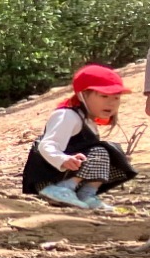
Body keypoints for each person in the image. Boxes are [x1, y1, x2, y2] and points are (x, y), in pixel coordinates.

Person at [24, 64, 134, 211]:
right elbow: (46, 145)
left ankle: (86, 195)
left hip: (66, 173)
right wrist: (63, 160)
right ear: (83, 95)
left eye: (116, 97)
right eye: (104, 96)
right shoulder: (67, 116)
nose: (111, 103)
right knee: (101, 151)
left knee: (111, 152)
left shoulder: (88, 121)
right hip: (49, 178)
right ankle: (62, 189)